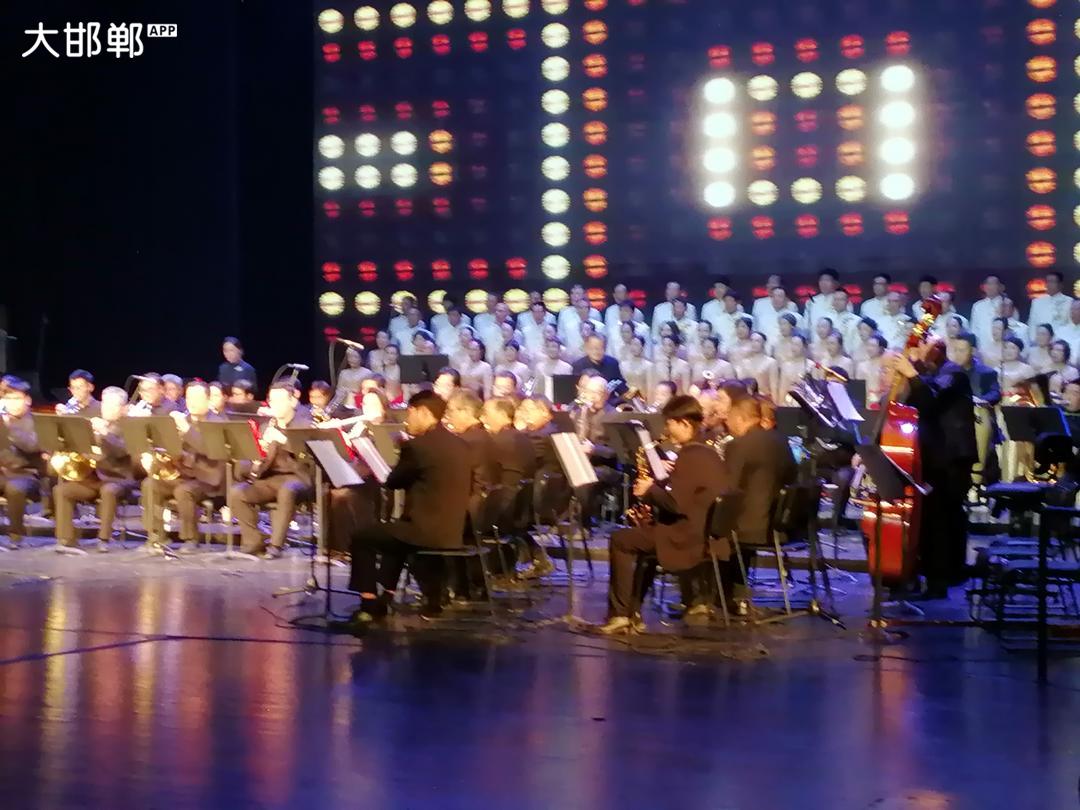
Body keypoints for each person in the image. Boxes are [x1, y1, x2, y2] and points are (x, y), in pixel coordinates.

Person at [597, 395, 729, 634]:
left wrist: (649, 490)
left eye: (669, 424)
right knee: (640, 537)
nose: (666, 430)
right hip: (702, 532)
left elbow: (675, 504)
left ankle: (620, 614)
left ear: (685, 424)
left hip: (685, 537)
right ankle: (632, 612)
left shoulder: (690, 455)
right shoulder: (707, 452)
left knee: (620, 539)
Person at [346, 391, 473, 623]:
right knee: (396, 532)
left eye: (410, 414)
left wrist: (402, 453)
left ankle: (368, 603)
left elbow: (394, 482)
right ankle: (387, 597)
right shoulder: (461, 445)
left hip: (425, 532)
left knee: (362, 536)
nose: (407, 420)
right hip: (454, 530)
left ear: (423, 412)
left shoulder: (417, 447)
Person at [885, 340, 976, 598]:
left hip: (950, 459)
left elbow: (930, 400)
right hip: (934, 456)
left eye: (923, 343)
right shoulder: (929, 374)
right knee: (936, 520)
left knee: (940, 521)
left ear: (937, 349)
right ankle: (934, 575)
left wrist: (912, 372)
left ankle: (939, 582)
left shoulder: (954, 374)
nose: (917, 347)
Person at [716, 396, 798, 608]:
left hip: (750, 528)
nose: (727, 424)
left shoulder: (738, 445)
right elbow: (792, 477)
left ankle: (717, 596)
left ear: (739, 419)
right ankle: (736, 594)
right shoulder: (780, 441)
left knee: (709, 522)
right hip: (780, 524)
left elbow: (729, 488)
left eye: (728, 419)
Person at [229, 381, 314, 558]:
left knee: (287, 490)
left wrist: (283, 440)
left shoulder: (304, 424)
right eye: (272, 401)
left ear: (292, 401)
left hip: (299, 477)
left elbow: (307, 456)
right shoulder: (266, 426)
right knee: (237, 492)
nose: (275, 405)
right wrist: (258, 458)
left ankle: (276, 545)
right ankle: (254, 541)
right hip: (271, 478)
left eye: (280, 401)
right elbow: (261, 461)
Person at [139, 380, 226, 553]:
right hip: (182, 475)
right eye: (189, 397)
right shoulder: (181, 420)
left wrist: (186, 430)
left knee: (184, 491)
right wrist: (152, 456)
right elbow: (165, 447)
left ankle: (190, 539)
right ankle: (156, 536)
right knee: (150, 484)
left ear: (208, 400)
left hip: (209, 479)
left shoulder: (217, 422)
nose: (191, 402)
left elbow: (209, 451)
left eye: (197, 398)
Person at [53, 386, 137, 552]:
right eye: (104, 404)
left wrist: (104, 433)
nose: (106, 409)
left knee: (109, 490)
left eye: (112, 405)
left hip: (118, 479)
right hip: (93, 479)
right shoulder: (94, 423)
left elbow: (121, 451)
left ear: (122, 408)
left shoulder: (130, 427)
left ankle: (103, 539)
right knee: (61, 490)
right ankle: (66, 539)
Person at [482, 397, 551, 576]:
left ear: (502, 415)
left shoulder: (499, 442)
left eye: (487, 413)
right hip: (520, 506)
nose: (483, 418)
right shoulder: (522, 438)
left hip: (505, 509)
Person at [948, 333, 1001, 489]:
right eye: (955, 350)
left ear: (973, 351)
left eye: (962, 350)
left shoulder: (986, 372)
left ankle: (976, 482)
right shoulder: (947, 370)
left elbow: (995, 393)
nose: (958, 354)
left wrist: (982, 400)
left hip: (975, 417)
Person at [0, 379, 43, 547]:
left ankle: (15, 535)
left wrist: (9, 428)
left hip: (27, 475)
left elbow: (32, 446)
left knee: (14, 488)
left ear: (27, 400)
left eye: (17, 399)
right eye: (8, 399)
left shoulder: (36, 421)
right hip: (4, 472)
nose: (12, 403)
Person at [734, 331, 779, 403]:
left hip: (764, 399)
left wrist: (775, 404)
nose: (754, 343)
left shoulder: (771, 362)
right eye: (752, 340)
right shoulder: (744, 362)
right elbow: (741, 384)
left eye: (757, 341)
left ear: (763, 343)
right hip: (747, 400)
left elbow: (774, 386)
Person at [970, 274, 1005, 349]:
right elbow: (974, 329)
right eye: (988, 284)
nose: (990, 287)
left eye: (993, 284)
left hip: (1002, 348)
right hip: (982, 347)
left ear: (999, 287)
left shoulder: (1006, 304)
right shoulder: (977, 306)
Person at [855, 334, 889, 406]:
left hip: (880, 403)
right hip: (863, 402)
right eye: (868, 345)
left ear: (881, 348)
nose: (869, 348)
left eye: (873, 346)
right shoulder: (861, 365)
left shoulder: (886, 366)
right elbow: (858, 388)